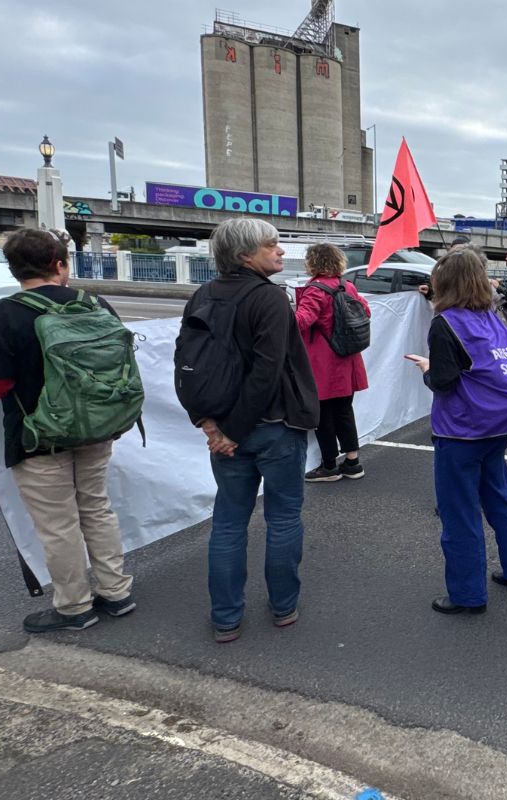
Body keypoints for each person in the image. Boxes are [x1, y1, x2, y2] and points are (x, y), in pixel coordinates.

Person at [0, 228, 136, 633]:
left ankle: (75, 607)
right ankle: (117, 591)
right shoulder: (96, 304)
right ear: (59, 264)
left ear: (14, 269)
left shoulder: (1, 316)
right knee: (97, 508)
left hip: (38, 439)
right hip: (96, 429)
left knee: (59, 524)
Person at [179, 218, 318, 642]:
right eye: (270, 245)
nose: (280, 251)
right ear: (244, 256)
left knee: (229, 522)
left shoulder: (202, 295)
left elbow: (184, 365)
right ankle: (283, 606)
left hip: (222, 429)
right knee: (283, 519)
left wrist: (209, 424)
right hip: (274, 427)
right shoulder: (269, 299)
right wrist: (232, 431)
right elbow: (267, 373)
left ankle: (225, 617)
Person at [405, 248, 507, 614]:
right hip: (495, 427)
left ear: (444, 282)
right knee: (501, 499)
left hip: (460, 431)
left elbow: (442, 382)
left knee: (459, 513)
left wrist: (426, 367)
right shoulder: (491, 315)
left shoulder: (446, 323)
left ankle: (468, 594)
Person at [295, 243, 371, 482]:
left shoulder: (315, 289)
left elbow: (302, 322)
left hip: (323, 362)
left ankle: (329, 466)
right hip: (347, 357)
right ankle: (352, 462)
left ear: (313, 262)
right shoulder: (347, 286)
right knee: (344, 411)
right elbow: (365, 312)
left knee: (323, 415)